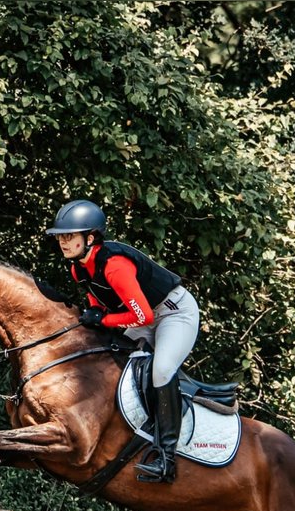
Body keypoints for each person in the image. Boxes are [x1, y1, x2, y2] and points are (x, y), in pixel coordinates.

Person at [46, 199, 200, 484]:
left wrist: (103, 321)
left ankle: (166, 459)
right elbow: (99, 301)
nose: (63, 242)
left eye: (70, 236)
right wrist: (97, 316)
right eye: (60, 237)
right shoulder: (78, 268)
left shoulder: (114, 265)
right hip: (143, 316)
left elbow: (140, 315)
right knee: (105, 356)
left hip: (173, 313)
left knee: (161, 370)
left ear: (90, 238)